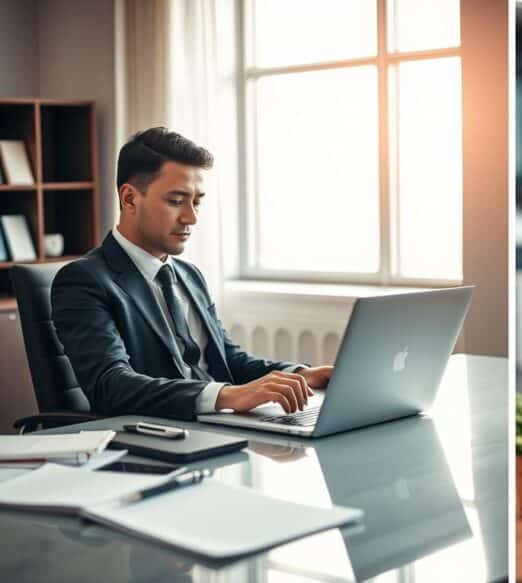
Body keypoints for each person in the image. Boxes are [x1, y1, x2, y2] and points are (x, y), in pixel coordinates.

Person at [52, 127, 333, 420]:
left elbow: (228, 360)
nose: (191, 217)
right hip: (158, 438)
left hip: (218, 428)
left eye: (196, 202)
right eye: (176, 201)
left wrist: (301, 374)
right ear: (130, 199)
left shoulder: (189, 275)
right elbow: (112, 386)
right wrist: (227, 396)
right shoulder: (84, 281)